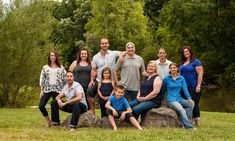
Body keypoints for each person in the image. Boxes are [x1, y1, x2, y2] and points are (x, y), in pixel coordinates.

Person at [87, 38, 124, 114]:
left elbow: (124, 52)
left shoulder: (113, 53)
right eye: (103, 43)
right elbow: (93, 70)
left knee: (111, 98)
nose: (104, 45)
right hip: (99, 80)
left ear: (108, 44)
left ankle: (115, 114)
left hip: (111, 81)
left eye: (106, 43)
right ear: (100, 45)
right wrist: (91, 80)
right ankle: (93, 110)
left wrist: (121, 56)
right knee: (89, 91)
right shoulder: (95, 57)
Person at [163, 63, 195, 129]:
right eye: (171, 68)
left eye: (174, 67)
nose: (172, 69)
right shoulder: (166, 79)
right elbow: (162, 90)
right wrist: (160, 100)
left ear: (177, 69)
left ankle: (183, 123)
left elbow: (185, 89)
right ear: (169, 69)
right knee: (182, 110)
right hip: (171, 100)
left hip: (179, 98)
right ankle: (189, 126)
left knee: (191, 104)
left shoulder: (181, 78)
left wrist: (189, 98)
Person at [39, 50, 66, 127]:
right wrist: (41, 90)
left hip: (58, 89)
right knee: (41, 105)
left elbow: (66, 79)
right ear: (49, 57)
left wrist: (64, 91)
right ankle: (48, 121)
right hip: (47, 89)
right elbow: (42, 79)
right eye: (51, 55)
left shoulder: (61, 68)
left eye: (54, 55)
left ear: (56, 57)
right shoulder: (45, 67)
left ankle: (56, 122)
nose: (53, 57)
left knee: (55, 105)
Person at [179, 46, 204, 126]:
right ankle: (190, 120)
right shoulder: (183, 63)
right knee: (187, 104)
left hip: (194, 86)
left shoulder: (196, 62)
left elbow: (200, 73)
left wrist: (198, 85)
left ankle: (197, 121)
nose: (185, 53)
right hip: (184, 88)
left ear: (190, 52)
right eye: (184, 52)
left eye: (187, 51)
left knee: (194, 104)